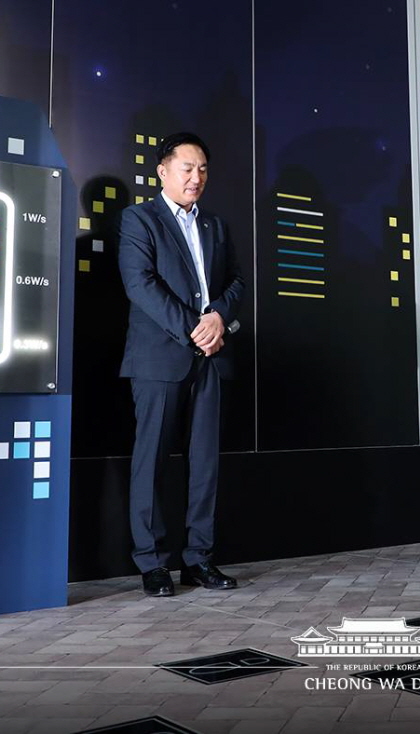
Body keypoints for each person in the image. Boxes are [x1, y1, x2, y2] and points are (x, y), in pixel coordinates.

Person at [119, 132, 244, 596]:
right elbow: (140, 285)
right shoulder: (139, 219)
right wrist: (195, 327)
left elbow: (236, 281)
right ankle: (152, 564)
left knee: (205, 463)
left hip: (210, 359)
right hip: (159, 359)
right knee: (150, 461)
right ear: (163, 171)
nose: (197, 178)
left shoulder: (215, 225)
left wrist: (219, 319)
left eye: (203, 170)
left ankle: (199, 560)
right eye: (188, 168)